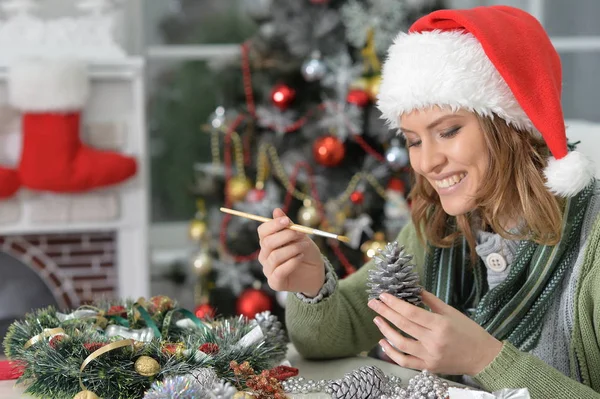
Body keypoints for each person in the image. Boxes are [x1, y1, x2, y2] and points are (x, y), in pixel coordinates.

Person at [257, 5, 600, 398]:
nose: (427, 162)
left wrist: (485, 359)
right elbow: (333, 336)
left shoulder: (594, 242)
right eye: (414, 140)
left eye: (448, 131)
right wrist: (310, 283)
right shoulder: (438, 229)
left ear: (512, 125)